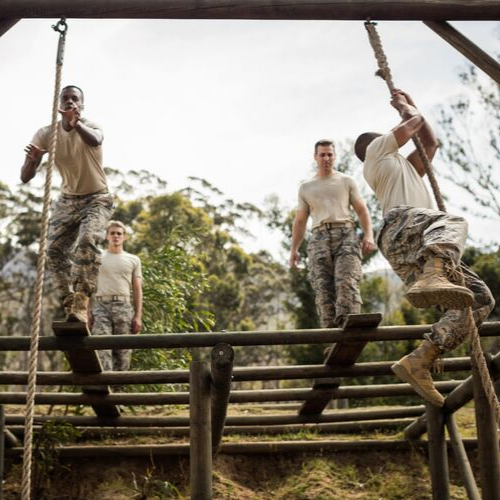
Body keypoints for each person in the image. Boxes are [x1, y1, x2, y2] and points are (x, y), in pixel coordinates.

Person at [355, 89, 495, 407]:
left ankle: (421, 359)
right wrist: (407, 109)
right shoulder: (376, 153)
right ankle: (434, 272)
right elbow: (413, 125)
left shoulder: (404, 169)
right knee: (453, 222)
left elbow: (429, 143)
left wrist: (413, 107)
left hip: (418, 241)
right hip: (403, 226)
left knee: (480, 299)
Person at [21, 85, 113, 322]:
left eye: (75, 99)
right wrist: (33, 162)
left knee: (86, 240)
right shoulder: (45, 134)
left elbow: (96, 140)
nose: (70, 101)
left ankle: (82, 299)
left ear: (81, 106)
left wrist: (76, 124)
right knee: (53, 251)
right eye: (66, 98)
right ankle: (69, 300)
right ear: (58, 104)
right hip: (68, 200)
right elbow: (25, 176)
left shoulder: (91, 127)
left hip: (97, 198)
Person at [290, 139, 376, 329]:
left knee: (346, 283)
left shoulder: (346, 181)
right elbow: (300, 220)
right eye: (322, 154)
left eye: (330, 154)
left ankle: (349, 333)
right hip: (318, 238)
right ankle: (331, 339)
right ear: (315, 157)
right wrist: (294, 249)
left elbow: (362, 210)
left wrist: (368, 235)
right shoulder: (306, 187)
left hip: (345, 235)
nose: (326, 158)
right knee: (323, 291)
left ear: (334, 156)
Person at [90, 220, 143, 372]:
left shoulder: (133, 260)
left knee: (123, 352)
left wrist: (138, 316)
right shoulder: (97, 256)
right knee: (101, 348)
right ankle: (105, 390)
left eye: (119, 233)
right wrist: (87, 311)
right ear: (107, 236)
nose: (115, 236)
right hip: (100, 306)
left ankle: (119, 392)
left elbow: (137, 289)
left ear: (124, 237)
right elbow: (89, 285)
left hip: (124, 307)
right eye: (112, 233)